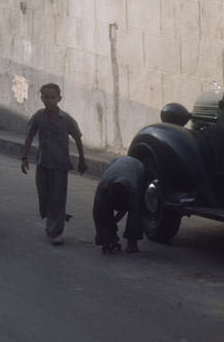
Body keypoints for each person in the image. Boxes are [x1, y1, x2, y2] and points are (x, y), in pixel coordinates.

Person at [21, 83, 87, 245]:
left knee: (58, 197)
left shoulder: (66, 119)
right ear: (41, 98)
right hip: (43, 163)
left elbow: (77, 138)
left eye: (53, 98)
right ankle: (54, 216)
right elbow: (30, 136)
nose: (49, 100)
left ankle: (56, 231)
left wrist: (82, 160)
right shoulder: (38, 117)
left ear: (59, 99)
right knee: (44, 196)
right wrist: (24, 158)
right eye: (46, 97)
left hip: (60, 165)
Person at [93, 155, 145, 254]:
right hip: (116, 162)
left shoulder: (132, 189)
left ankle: (132, 243)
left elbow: (125, 209)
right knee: (103, 207)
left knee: (136, 210)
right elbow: (96, 208)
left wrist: (110, 225)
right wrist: (99, 232)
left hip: (136, 167)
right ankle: (111, 236)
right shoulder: (103, 186)